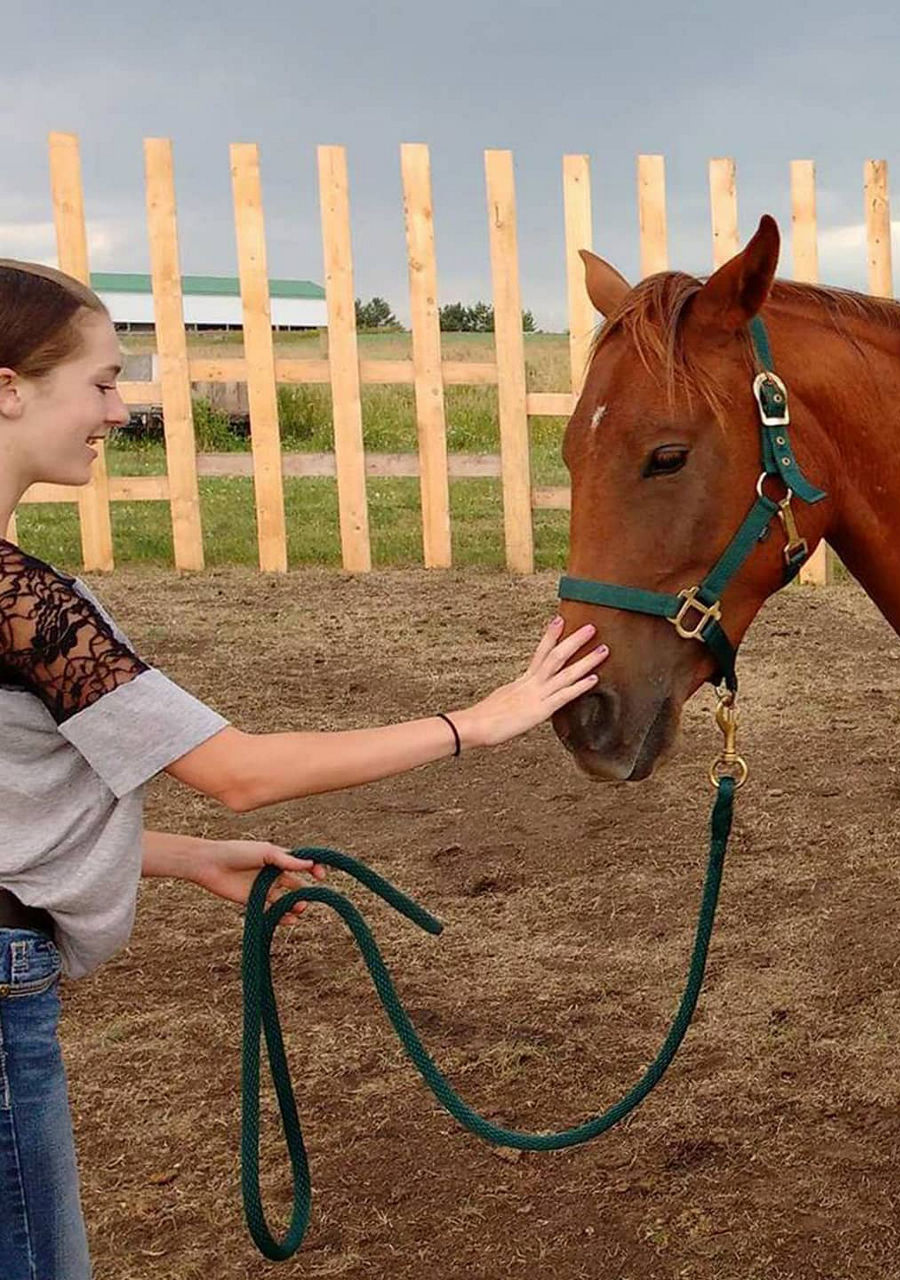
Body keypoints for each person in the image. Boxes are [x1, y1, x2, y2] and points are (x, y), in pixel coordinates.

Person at [0, 259, 607, 1278]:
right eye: (101, 382)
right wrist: (478, 720)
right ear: (8, 386)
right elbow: (238, 767)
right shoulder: (28, 606)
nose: (120, 407)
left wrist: (187, 856)